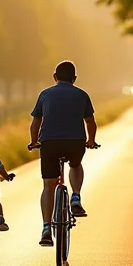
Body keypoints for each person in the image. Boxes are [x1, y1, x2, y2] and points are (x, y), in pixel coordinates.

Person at [29, 60, 97, 247]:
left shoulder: (45, 94)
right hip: (75, 142)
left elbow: (35, 123)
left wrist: (34, 141)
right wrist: (91, 141)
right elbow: (90, 122)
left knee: (48, 186)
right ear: (74, 78)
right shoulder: (82, 94)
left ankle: (46, 227)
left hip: (49, 143)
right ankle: (76, 197)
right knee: (75, 164)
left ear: (54, 77)